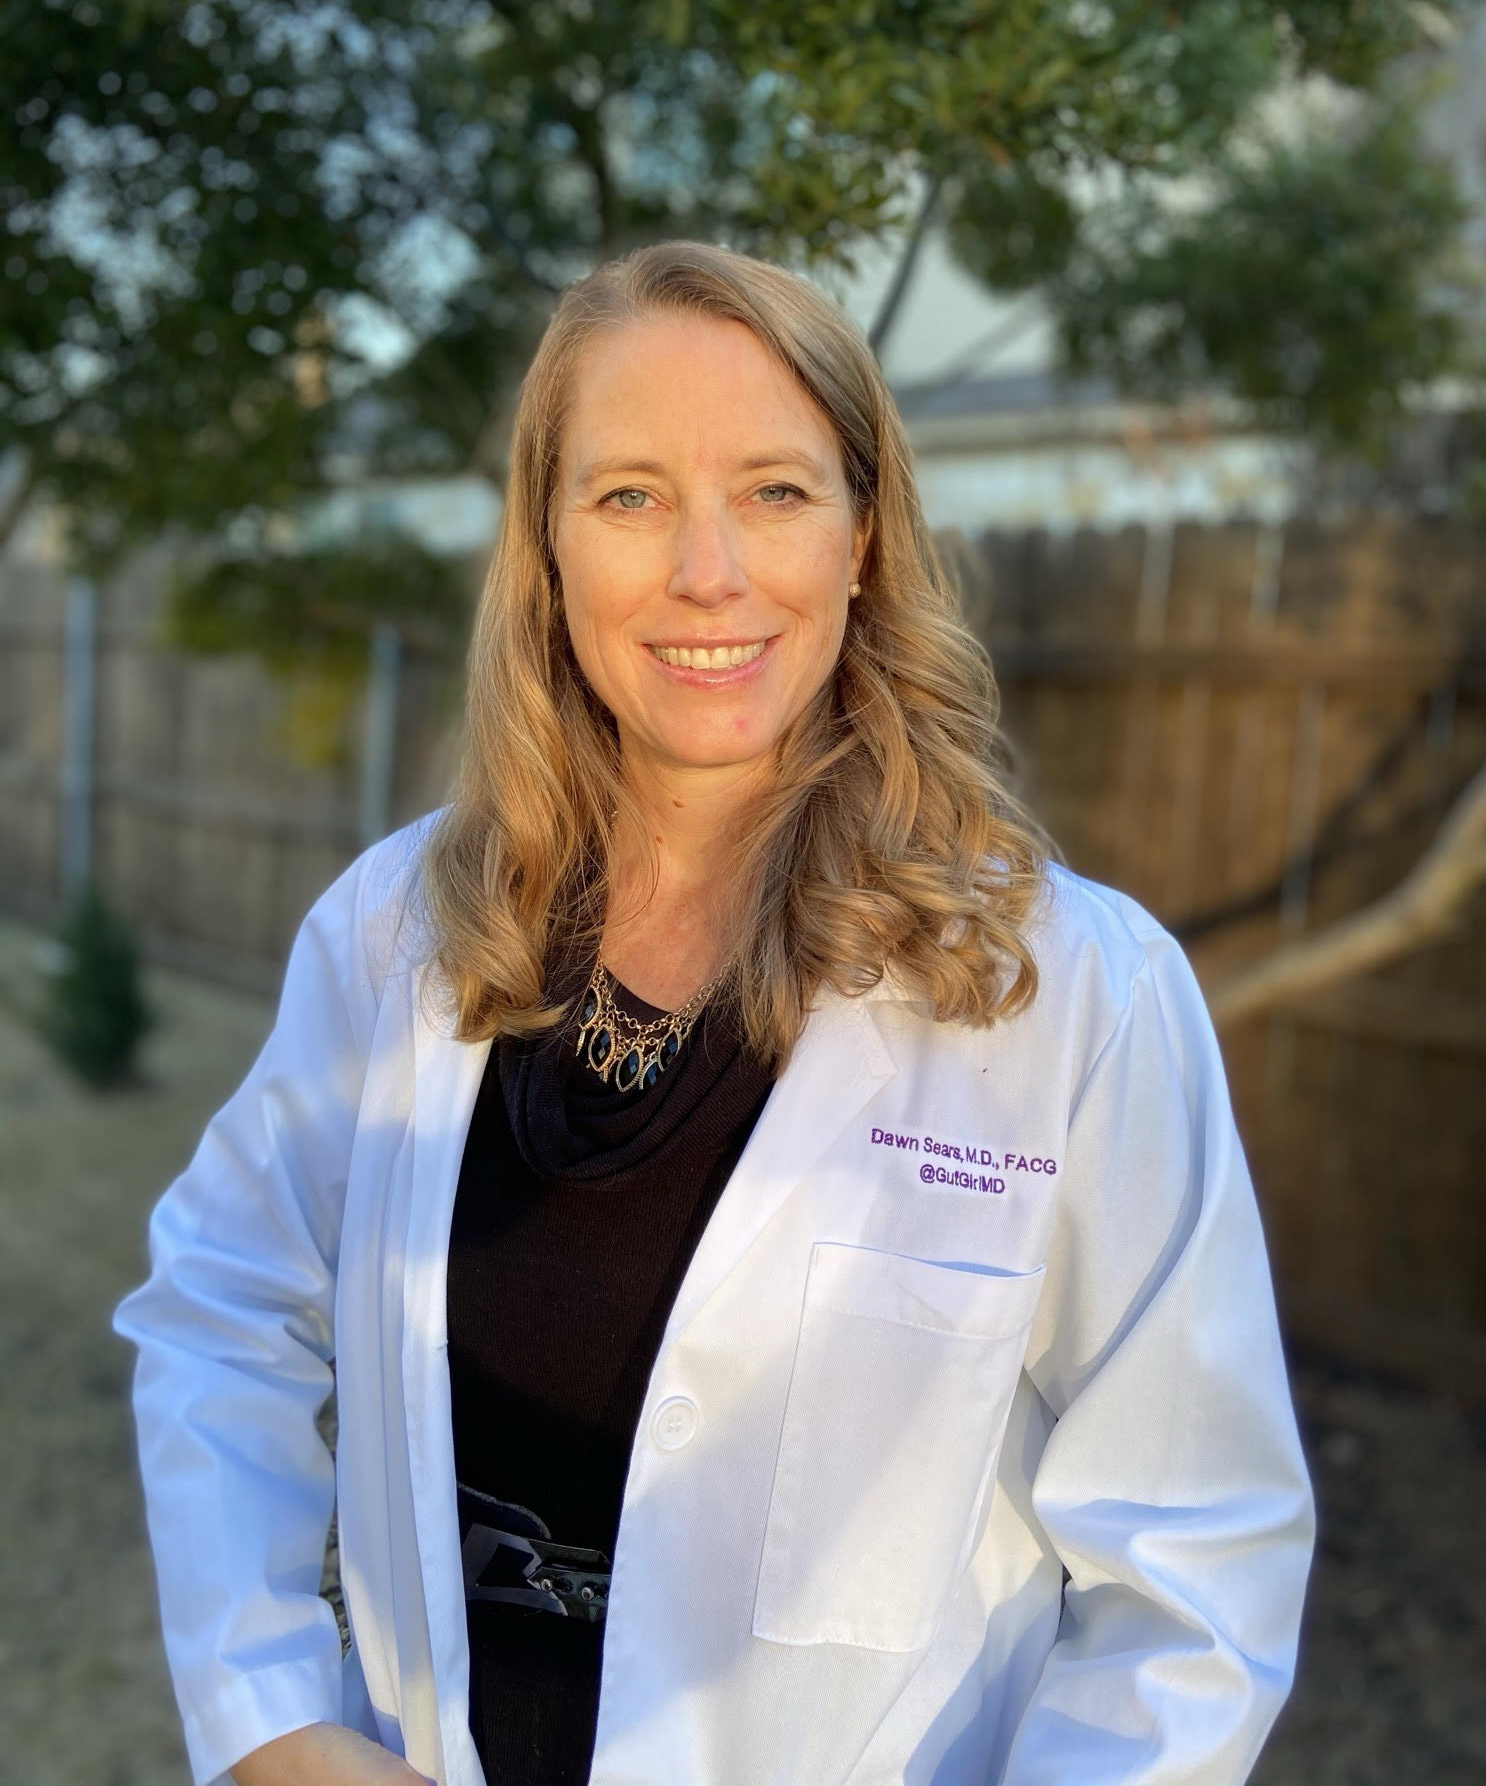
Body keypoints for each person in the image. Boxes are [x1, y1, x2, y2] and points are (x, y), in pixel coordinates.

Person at [115, 241, 1314, 1786]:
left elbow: (1194, 1580)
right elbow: (220, 1309)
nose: (709, 572)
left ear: (864, 537)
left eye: (776, 490)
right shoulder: (396, 930)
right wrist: (273, 1721)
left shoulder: (1077, 997)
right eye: (630, 496)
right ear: (547, 546)